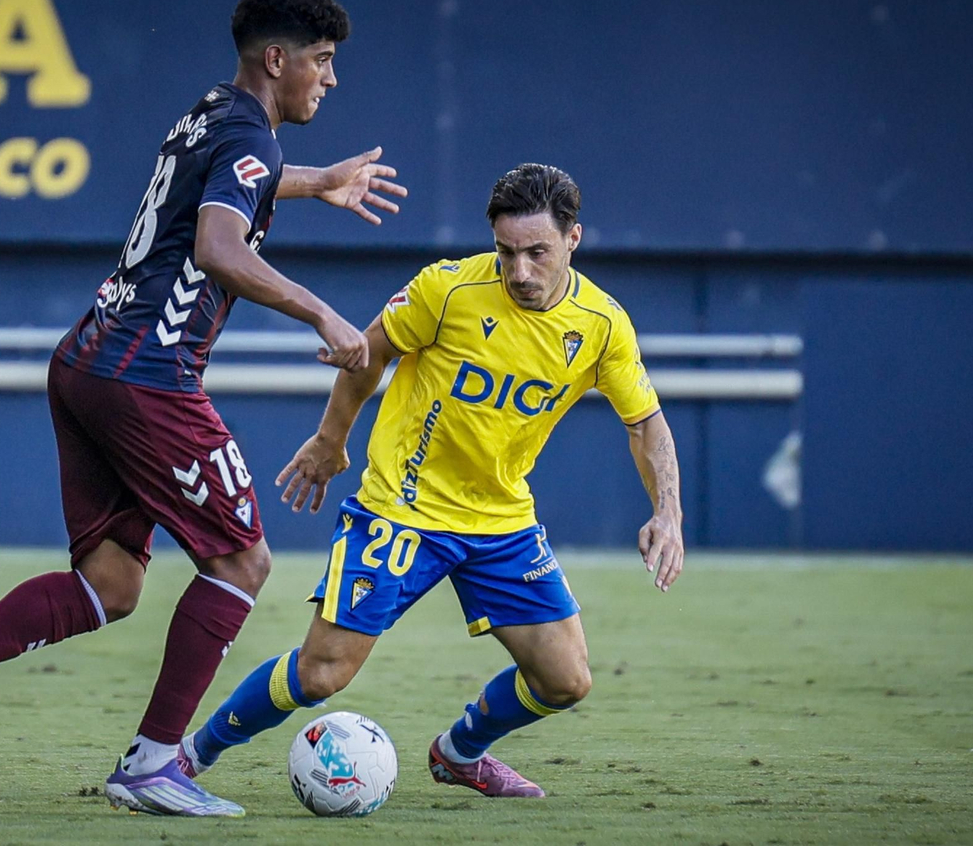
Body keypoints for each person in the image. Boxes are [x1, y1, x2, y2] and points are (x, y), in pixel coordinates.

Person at [0, 0, 408, 816]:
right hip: (147, 375)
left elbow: (232, 184)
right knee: (243, 562)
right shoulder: (247, 134)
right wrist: (321, 312)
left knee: (110, 584)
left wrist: (317, 180)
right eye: (322, 61)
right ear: (277, 58)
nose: (329, 79)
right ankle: (152, 765)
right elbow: (219, 245)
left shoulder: (211, 114)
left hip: (88, 359)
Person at [180, 163, 685, 804]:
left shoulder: (602, 325)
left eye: (537, 252)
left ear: (573, 239)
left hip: (500, 519)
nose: (519, 271)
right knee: (322, 673)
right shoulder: (447, 290)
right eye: (506, 252)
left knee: (566, 680)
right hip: (401, 507)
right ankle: (191, 756)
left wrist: (667, 511)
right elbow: (370, 352)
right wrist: (331, 439)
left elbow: (646, 423)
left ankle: (459, 753)